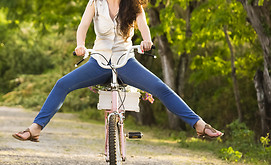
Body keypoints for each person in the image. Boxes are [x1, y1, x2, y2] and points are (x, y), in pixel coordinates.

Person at [12, 0, 223, 142]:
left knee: (160, 88)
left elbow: (143, 26)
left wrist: (147, 41)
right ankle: (35, 129)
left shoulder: (133, 4)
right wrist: (80, 44)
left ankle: (199, 124)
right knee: (62, 84)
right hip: (99, 62)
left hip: (125, 61)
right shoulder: (96, 2)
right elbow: (83, 26)